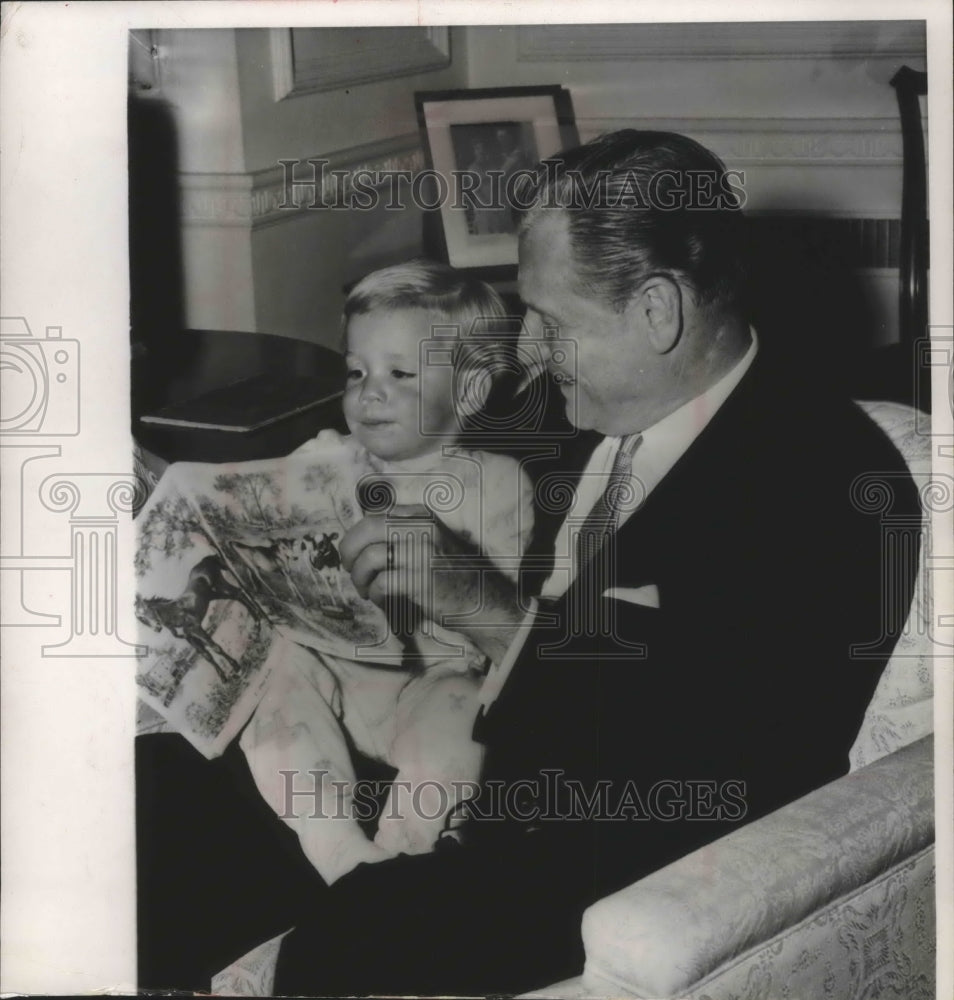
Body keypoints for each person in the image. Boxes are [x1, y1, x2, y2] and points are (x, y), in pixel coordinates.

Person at [137, 130, 919, 996]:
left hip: (604, 870)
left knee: (308, 940)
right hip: (482, 782)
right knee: (158, 802)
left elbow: (687, 765)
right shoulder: (626, 426)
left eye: (552, 320)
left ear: (658, 311)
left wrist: (482, 607)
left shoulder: (823, 481)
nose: (529, 352)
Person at [239, 260, 534, 882]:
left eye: (400, 373)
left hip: (431, 677)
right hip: (338, 673)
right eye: (356, 371)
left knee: (464, 712)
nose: (369, 391)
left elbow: (486, 628)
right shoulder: (325, 457)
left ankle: (403, 855)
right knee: (274, 684)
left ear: (471, 390)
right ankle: (337, 848)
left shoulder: (498, 482)